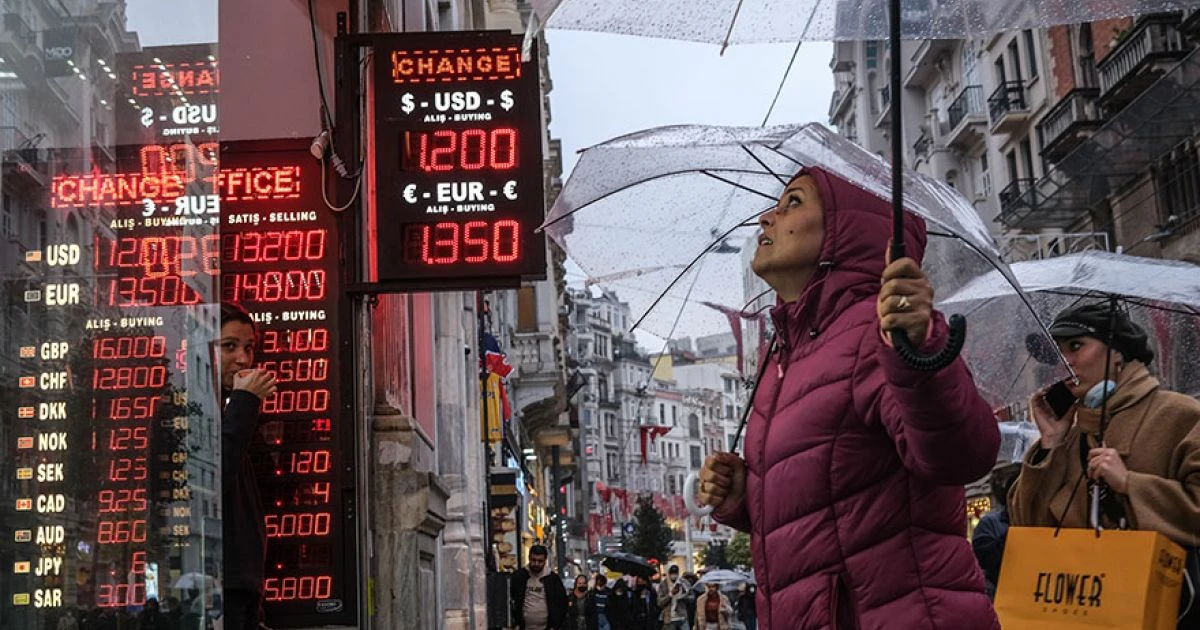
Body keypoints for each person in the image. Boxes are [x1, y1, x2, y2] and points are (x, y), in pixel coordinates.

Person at [696, 167, 1001, 629]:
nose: (766, 218)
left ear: (846, 230)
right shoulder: (786, 355)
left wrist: (920, 350)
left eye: (793, 203)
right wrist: (744, 497)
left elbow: (961, 454)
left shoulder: (875, 330)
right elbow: (828, 508)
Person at [1008, 303, 1200, 624]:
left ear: (1116, 352)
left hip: (1163, 611)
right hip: (1079, 615)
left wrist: (1130, 484)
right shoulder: (1068, 435)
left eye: (1076, 346)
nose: (1065, 363)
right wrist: (1049, 444)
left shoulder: (1179, 415)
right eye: (1058, 354)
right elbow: (1025, 528)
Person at [219, 302, 277, 630]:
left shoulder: (229, 411)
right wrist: (245, 404)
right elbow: (215, 478)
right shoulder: (188, 409)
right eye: (229, 346)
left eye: (249, 348)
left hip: (244, 588)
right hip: (222, 588)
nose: (243, 359)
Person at [971, 464, 1020, 600]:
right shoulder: (990, 523)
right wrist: (1014, 535)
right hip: (1002, 596)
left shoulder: (1041, 520)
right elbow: (983, 558)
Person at [510, 545, 569, 630]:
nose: (536, 564)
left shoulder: (552, 579)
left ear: (545, 561)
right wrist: (516, 623)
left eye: (540, 561)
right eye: (533, 560)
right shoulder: (519, 577)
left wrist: (555, 626)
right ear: (529, 558)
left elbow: (562, 603)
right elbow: (512, 599)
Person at [656, 566, 690, 630]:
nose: (674, 575)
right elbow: (659, 603)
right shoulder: (663, 584)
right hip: (669, 618)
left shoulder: (683, 582)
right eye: (672, 573)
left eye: (675, 573)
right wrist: (671, 594)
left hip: (682, 616)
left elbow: (691, 597)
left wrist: (683, 596)